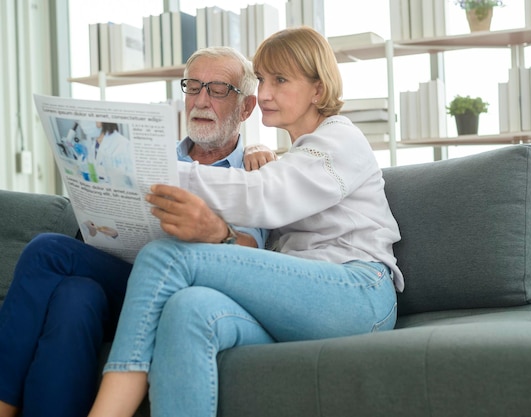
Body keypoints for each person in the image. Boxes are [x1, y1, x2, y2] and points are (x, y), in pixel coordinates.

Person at [87, 26, 404, 417]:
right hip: (303, 302)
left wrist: (150, 168)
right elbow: (273, 185)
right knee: (188, 308)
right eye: (263, 79)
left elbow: (262, 195)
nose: (265, 92)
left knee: (164, 257)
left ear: (318, 90)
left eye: (280, 80)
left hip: (358, 293)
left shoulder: (341, 139)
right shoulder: (291, 156)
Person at [0, 46, 276, 417]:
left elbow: (249, 250)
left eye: (218, 89)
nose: (201, 100)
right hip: (122, 279)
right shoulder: (153, 153)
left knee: (51, 257)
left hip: (178, 293)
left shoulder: (254, 169)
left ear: (246, 108)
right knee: (74, 294)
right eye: (193, 87)